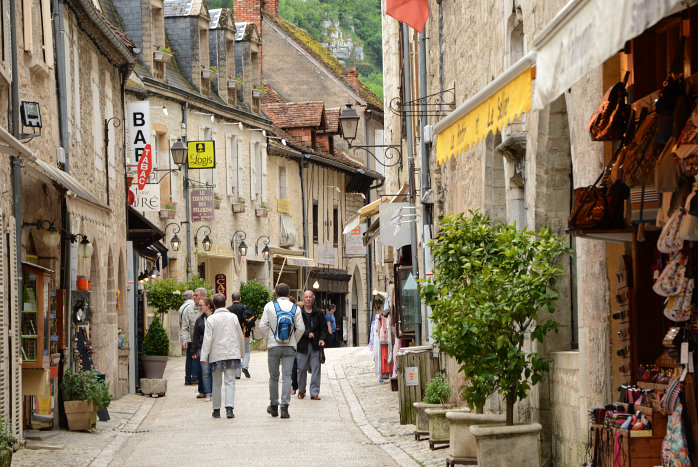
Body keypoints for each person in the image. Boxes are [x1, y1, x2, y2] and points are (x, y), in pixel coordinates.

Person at [260, 283, 304, 419]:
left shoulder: (269, 306)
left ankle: (274, 406)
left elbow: (262, 326)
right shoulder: (295, 308)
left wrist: (270, 339)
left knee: (273, 377)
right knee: (287, 377)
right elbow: (301, 329)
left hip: (274, 346)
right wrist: (293, 341)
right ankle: (284, 408)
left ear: (276, 294)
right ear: (288, 293)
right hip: (290, 347)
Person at [200, 294, 244, 419]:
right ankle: (229, 409)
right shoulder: (233, 317)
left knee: (216, 383)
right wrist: (241, 352)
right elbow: (240, 335)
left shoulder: (212, 319)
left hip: (217, 354)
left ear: (214, 305)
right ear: (225, 303)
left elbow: (207, 339)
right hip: (231, 353)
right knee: (230, 381)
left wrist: (204, 357)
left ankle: (216, 409)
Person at [296, 290, 327, 400]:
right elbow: (295, 328)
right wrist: (307, 333)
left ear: (313, 299)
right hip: (302, 345)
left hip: (315, 345)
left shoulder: (319, 313)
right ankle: (301, 390)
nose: (308, 299)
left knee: (316, 369)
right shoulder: (298, 313)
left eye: (310, 297)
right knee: (301, 369)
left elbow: (324, 328)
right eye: (306, 297)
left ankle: (314, 392)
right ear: (303, 299)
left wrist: (322, 339)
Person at [180, 289, 205, 386]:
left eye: (196, 295)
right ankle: (189, 378)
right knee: (191, 358)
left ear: (202, 296)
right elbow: (184, 325)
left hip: (203, 340)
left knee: (198, 359)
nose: (193, 297)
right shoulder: (189, 309)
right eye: (193, 295)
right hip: (192, 338)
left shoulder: (207, 308)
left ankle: (196, 378)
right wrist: (184, 339)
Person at [227, 292, 255, 379]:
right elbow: (252, 321)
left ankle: (237, 374)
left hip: (233, 335)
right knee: (246, 351)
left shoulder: (228, 310)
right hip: (245, 333)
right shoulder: (245, 308)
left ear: (231, 299)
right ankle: (245, 366)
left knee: (236, 353)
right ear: (240, 299)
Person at [192, 297, 214, 401]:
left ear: (208, 305)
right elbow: (195, 336)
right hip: (202, 347)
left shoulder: (215, 317)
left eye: (201, 305)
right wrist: (194, 350)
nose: (199, 307)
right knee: (205, 370)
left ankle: (214, 390)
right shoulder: (199, 320)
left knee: (214, 370)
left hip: (214, 347)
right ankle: (208, 392)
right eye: (199, 305)